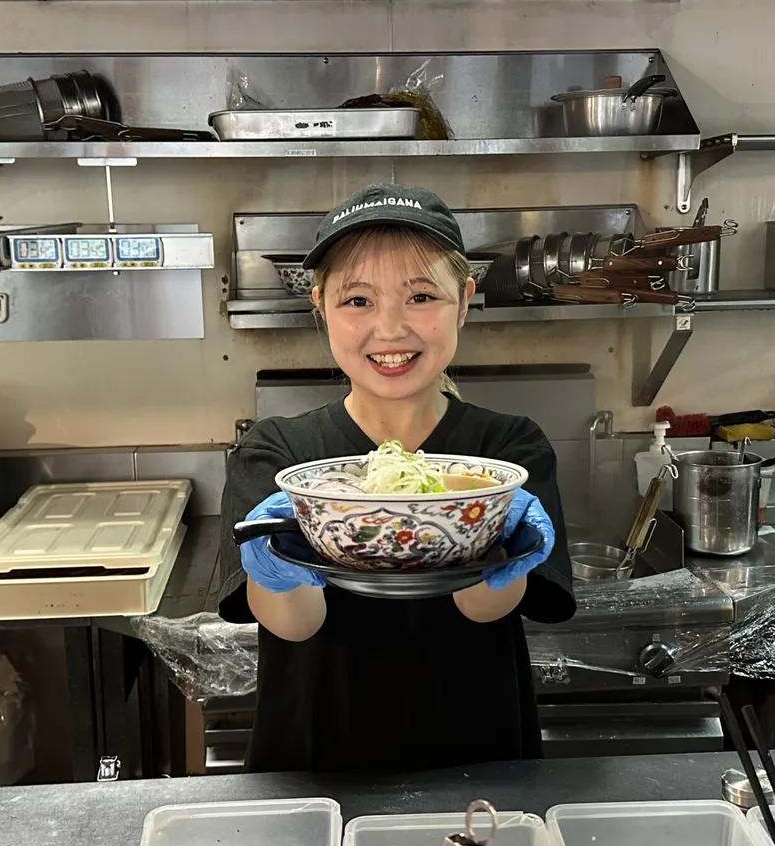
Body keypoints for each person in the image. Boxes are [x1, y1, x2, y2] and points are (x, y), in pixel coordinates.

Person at [217, 183, 575, 773]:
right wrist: (278, 570)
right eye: (357, 301)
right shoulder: (280, 452)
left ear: (464, 300)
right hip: (317, 764)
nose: (389, 330)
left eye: (421, 297)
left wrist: (492, 532)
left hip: (476, 764)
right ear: (320, 307)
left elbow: (485, 609)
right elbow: (295, 624)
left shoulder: (506, 449)